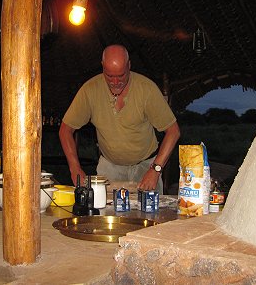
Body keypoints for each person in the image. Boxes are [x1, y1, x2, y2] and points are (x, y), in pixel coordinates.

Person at [59, 44, 180, 193]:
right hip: (109, 168)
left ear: (129, 66)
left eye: (121, 75)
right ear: (102, 66)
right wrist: (74, 168)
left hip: (146, 166)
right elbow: (66, 129)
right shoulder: (90, 90)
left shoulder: (147, 89)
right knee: (104, 214)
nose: (116, 82)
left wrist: (156, 169)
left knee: (152, 214)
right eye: (110, 76)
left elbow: (173, 131)